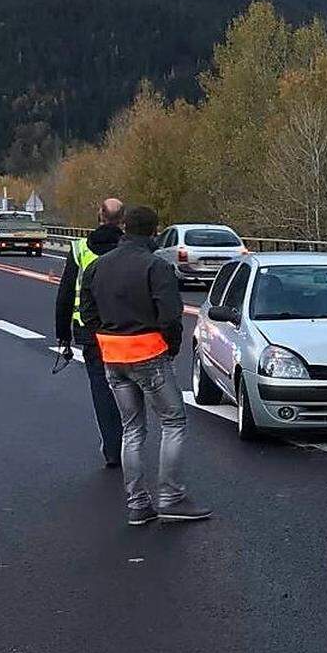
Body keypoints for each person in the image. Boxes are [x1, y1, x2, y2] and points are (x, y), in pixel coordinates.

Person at [80, 205, 211, 526]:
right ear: (155, 232)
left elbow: (87, 313)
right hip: (149, 355)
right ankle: (171, 497)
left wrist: (108, 337)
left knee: (132, 429)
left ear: (125, 228)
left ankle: (138, 504)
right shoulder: (156, 267)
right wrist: (170, 348)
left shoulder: (98, 266)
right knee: (173, 422)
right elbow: (170, 315)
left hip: (113, 359)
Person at [55, 198, 126, 467]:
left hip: (90, 333)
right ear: (123, 220)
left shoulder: (80, 249)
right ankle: (131, 444)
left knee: (101, 389)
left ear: (99, 215)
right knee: (130, 387)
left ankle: (112, 447)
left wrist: (63, 335)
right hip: (128, 331)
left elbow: (65, 294)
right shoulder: (131, 248)